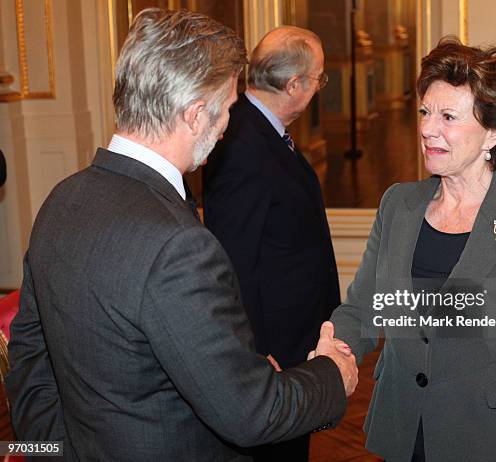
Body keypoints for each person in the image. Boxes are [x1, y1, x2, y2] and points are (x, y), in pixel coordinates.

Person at [6, 9, 358, 461]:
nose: (230, 124)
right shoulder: (178, 246)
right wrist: (331, 373)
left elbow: (32, 364)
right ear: (195, 116)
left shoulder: (62, 199)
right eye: (229, 108)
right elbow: (251, 415)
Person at [330, 36, 496, 461]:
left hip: (482, 435)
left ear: (493, 133)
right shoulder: (398, 204)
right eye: (424, 112)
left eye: (447, 116)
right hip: (402, 427)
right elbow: (365, 307)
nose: (426, 128)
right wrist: (336, 350)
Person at [203, 26, 339, 461]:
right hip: (273, 352)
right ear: (294, 84)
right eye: (319, 78)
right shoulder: (242, 142)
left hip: (292, 340)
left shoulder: (260, 128)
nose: (320, 87)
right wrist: (254, 355)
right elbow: (233, 259)